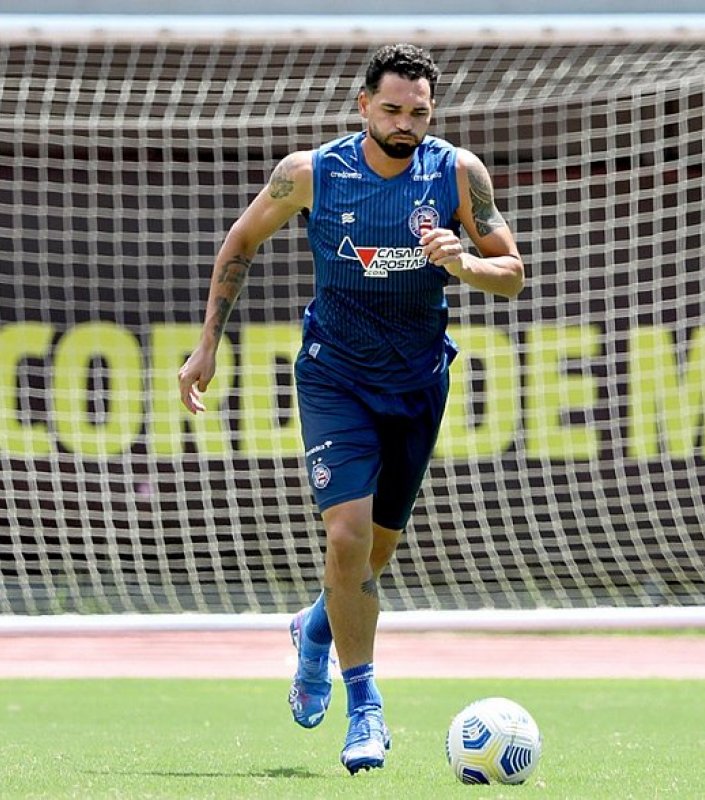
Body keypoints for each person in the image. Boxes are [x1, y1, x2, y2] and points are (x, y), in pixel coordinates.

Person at [176, 43, 525, 773]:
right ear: (362, 105)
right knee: (346, 537)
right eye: (392, 109)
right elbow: (239, 244)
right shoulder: (312, 174)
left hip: (418, 382)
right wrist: (207, 344)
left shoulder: (457, 174)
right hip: (335, 377)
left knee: (375, 553)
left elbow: (512, 275)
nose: (405, 123)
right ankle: (365, 707)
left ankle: (315, 628)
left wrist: (462, 261)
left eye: (419, 112)